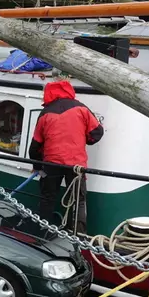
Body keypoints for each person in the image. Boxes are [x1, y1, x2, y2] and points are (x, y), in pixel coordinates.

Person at [29, 79, 104, 234]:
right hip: (76, 165)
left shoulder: (45, 114)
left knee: (47, 198)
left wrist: (37, 167)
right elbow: (97, 132)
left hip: (51, 164)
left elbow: (35, 146)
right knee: (78, 201)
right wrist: (86, 140)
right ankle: (78, 236)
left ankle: (41, 232)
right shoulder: (81, 109)